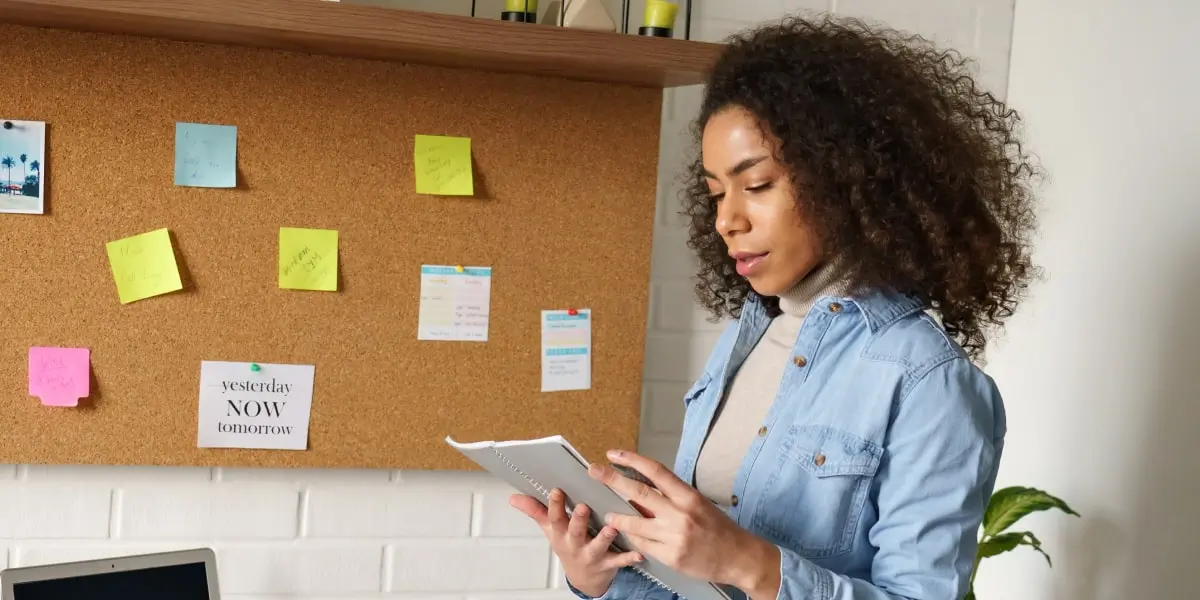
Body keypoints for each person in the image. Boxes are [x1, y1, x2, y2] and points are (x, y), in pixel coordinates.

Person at [511, 14, 1038, 600]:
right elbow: (692, 582)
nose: (725, 219)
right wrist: (598, 578)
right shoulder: (750, 336)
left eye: (756, 185)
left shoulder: (928, 381)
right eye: (715, 192)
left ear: (844, 179)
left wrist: (752, 564)